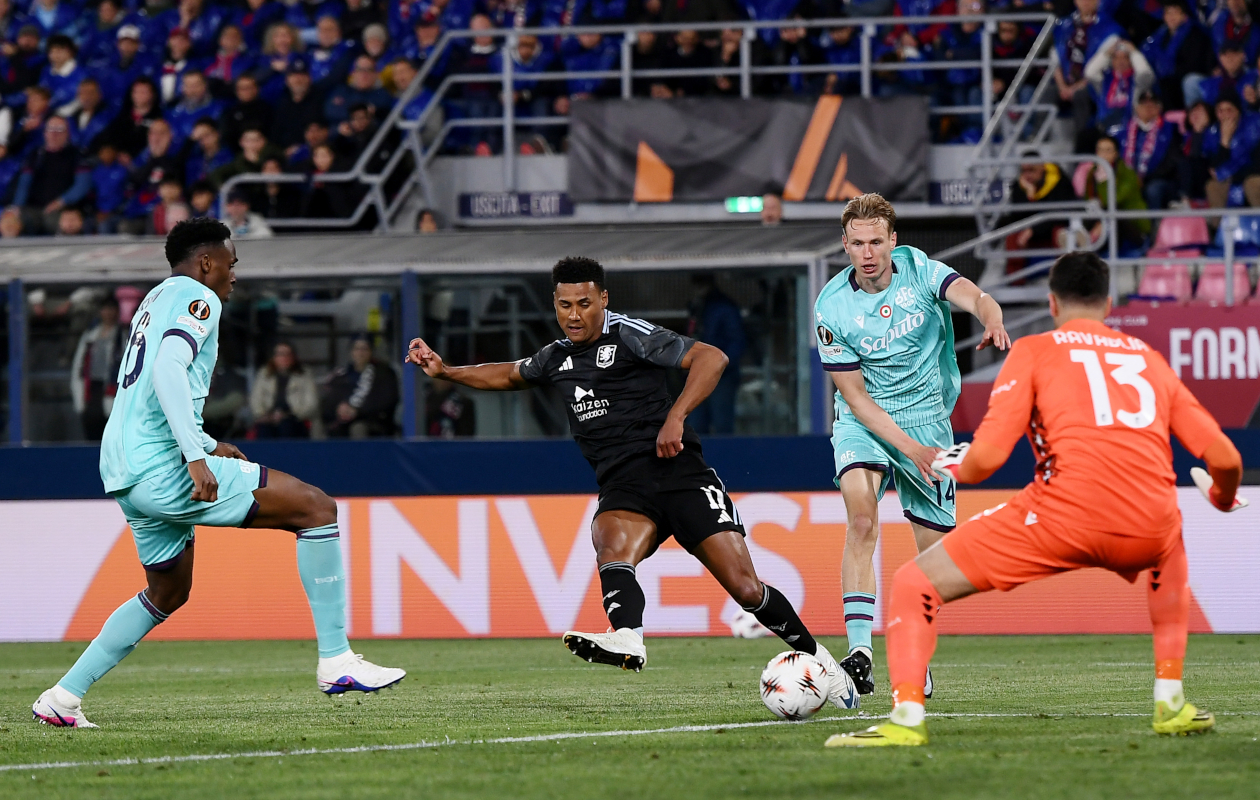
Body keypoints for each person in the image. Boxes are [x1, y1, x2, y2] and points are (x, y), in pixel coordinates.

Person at [825, 251, 1245, 747]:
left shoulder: (1034, 351)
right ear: (1109, 304)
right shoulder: (1148, 359)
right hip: (1147, 522)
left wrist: (950, 460)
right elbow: (1226, 457)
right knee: (1170, 545)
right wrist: (1219, 498)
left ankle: (908, 719)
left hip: (1060, 516)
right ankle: (1170, 700)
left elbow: (988, 461)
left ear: (1051, 303)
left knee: (914, 582)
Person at [404, 256, 859, 713]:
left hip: (680, 474)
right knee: (609, 540)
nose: (574, 315)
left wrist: (676, 417)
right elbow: (508, 373)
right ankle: (628, 636)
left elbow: (711, 358)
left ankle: (825, 665)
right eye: (565, 305)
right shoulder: (556, 357)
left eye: (585, 303)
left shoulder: (628, 334)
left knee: (745, 589)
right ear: (555, 305)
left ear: (603, 299)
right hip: (625, 485)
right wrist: (447, 372)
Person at [32, 219, 405, 729]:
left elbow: (148, 389)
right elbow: (166, 370)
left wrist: (206, 443)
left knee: (168, 592)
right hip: (161, 466)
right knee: (316, 508)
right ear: (207, 261)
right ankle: (337, 661)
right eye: (231, 262)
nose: (234, 274)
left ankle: (63, 696)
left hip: (123, 467)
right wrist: (194, 456)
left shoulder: (156, 298)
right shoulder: (197, 297)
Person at [813, 193, 1009, 698]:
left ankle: (910, 649)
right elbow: (853, 397)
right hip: (866, 419)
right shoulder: (831, 307)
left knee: (936, 563)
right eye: (857, 243)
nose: (868, 252)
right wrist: (908, 450)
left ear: (893, 242)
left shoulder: (922, 272)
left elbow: (975, 295)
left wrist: (991, 317)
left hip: (929, 421)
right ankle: (859, 651)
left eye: (876, 241)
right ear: (845, 245)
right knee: (861, 517)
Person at [686, 274, 745, 435]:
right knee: (695, 423)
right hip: (699, 374)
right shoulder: (696, 307)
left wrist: (721, 364)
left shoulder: (723, 307)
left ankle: (724, 458)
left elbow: (737, 340)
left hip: (721, 374)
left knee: (722, 422)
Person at [70, 296, 125, 440]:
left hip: (112, 389)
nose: (108, 313)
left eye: (111, 309)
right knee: (91, 432)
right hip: (91, 391)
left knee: (111, 436)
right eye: (105, 309)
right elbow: (79, 366)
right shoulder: (90, 336)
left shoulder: (123, 336)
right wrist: (79, 395)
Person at [323, 335, 399, 438]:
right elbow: (328, 400)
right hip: (342, 421)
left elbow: (387, 400)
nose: (360, 353)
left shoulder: (384, 374)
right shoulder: (340, 375)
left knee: (358, 428)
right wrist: (339, 409)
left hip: (372, 421)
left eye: (364, 349)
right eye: (357, 349)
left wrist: (357, 411)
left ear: (371, 351)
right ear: (351, 352)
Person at [251, 341, 319, 438]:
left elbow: (312, 404)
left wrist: (288, 415)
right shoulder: (264, 374)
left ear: (294, 357)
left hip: (295, 418)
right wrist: (265, 415)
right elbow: (256, 400)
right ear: (274, 357)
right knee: (264, 428)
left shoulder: (305, 375)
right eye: (280, 354)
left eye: (288, 354)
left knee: (286, 426)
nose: (284, 358)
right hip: (269, 417)